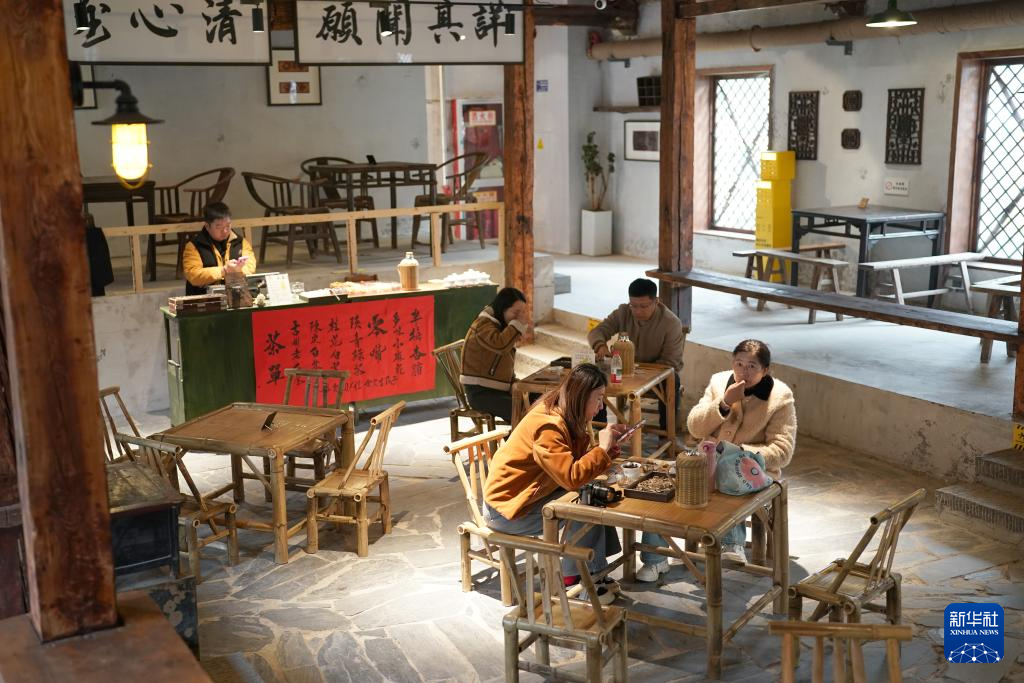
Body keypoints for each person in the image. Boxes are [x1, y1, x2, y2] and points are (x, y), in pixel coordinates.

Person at [636, 339, 797, 581]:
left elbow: (783, 451)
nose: (744, 371)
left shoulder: (780, 397)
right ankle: (655, 559)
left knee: (729, 479)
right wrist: (724, 403)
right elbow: (695, 427)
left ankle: (732, 543)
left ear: (765, 370)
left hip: (752, 471)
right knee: (666, 488)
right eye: (739, 364)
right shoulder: (719, 382)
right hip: (705, 462)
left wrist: (738, 453)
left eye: (752, 366)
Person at [483, 363, 627, 604]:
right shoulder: (548, 425)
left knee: (593, 494)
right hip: (508, 510)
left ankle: (594, 574)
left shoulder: (562, 412)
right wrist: (601, 449)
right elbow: (571, 477)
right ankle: (576, 580)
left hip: (529, 497)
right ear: (581, 397)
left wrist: (607, 450)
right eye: (599, 398)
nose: (601, 406)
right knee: (584, 505)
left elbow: (572, 465)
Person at [587, 278, 686, 428]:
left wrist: (638, 373)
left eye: (643, 306)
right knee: (593, 377)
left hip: (656, 373)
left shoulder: (671, 323)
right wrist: (600, 346)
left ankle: (666, 434)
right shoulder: (623, 312)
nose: (637, 311)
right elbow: (597, 332)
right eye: (633, 306)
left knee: (673, 381)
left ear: (656, 301)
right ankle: (600, 429)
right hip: (623, 370)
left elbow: (670, 362)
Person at [460, 287, 529, 423]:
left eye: (522, 312)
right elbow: (500, 346)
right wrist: (516, 326)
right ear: (502, 309)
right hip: (481, 394)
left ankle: (519, 436)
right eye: (516, 312)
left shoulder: (500, 326)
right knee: (522, 408)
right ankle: (518, 437)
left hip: (498, 390)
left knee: (538, 399)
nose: (519, 318)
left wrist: (515, 383)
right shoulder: (482, 325)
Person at [182, 202, 256, 295]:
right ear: (207, 226)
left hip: (236, 297)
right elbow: (193, 275)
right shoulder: (194, 246)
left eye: (228, 226)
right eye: (219, 227)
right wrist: (223, 271)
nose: (225, 231)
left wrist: (237, 270)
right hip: (204, 299)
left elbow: (250, 268)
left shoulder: (241, 242)